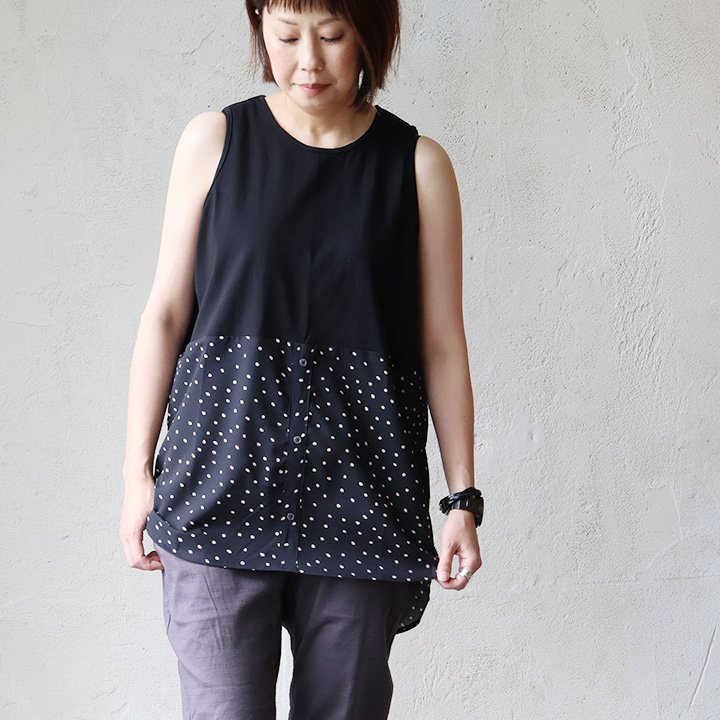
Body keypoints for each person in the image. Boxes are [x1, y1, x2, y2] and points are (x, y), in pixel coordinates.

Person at [118, 0, 483, 717]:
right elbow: (164, 316)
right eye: (287, 35)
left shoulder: (418, 167)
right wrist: (136, 475)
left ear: (370, 36)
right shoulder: (214, 142)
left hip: (363, 496)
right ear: (261, 25)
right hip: (217, 484)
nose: (307, 60)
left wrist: (462, 498)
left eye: (332, 36)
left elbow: (442, 345)